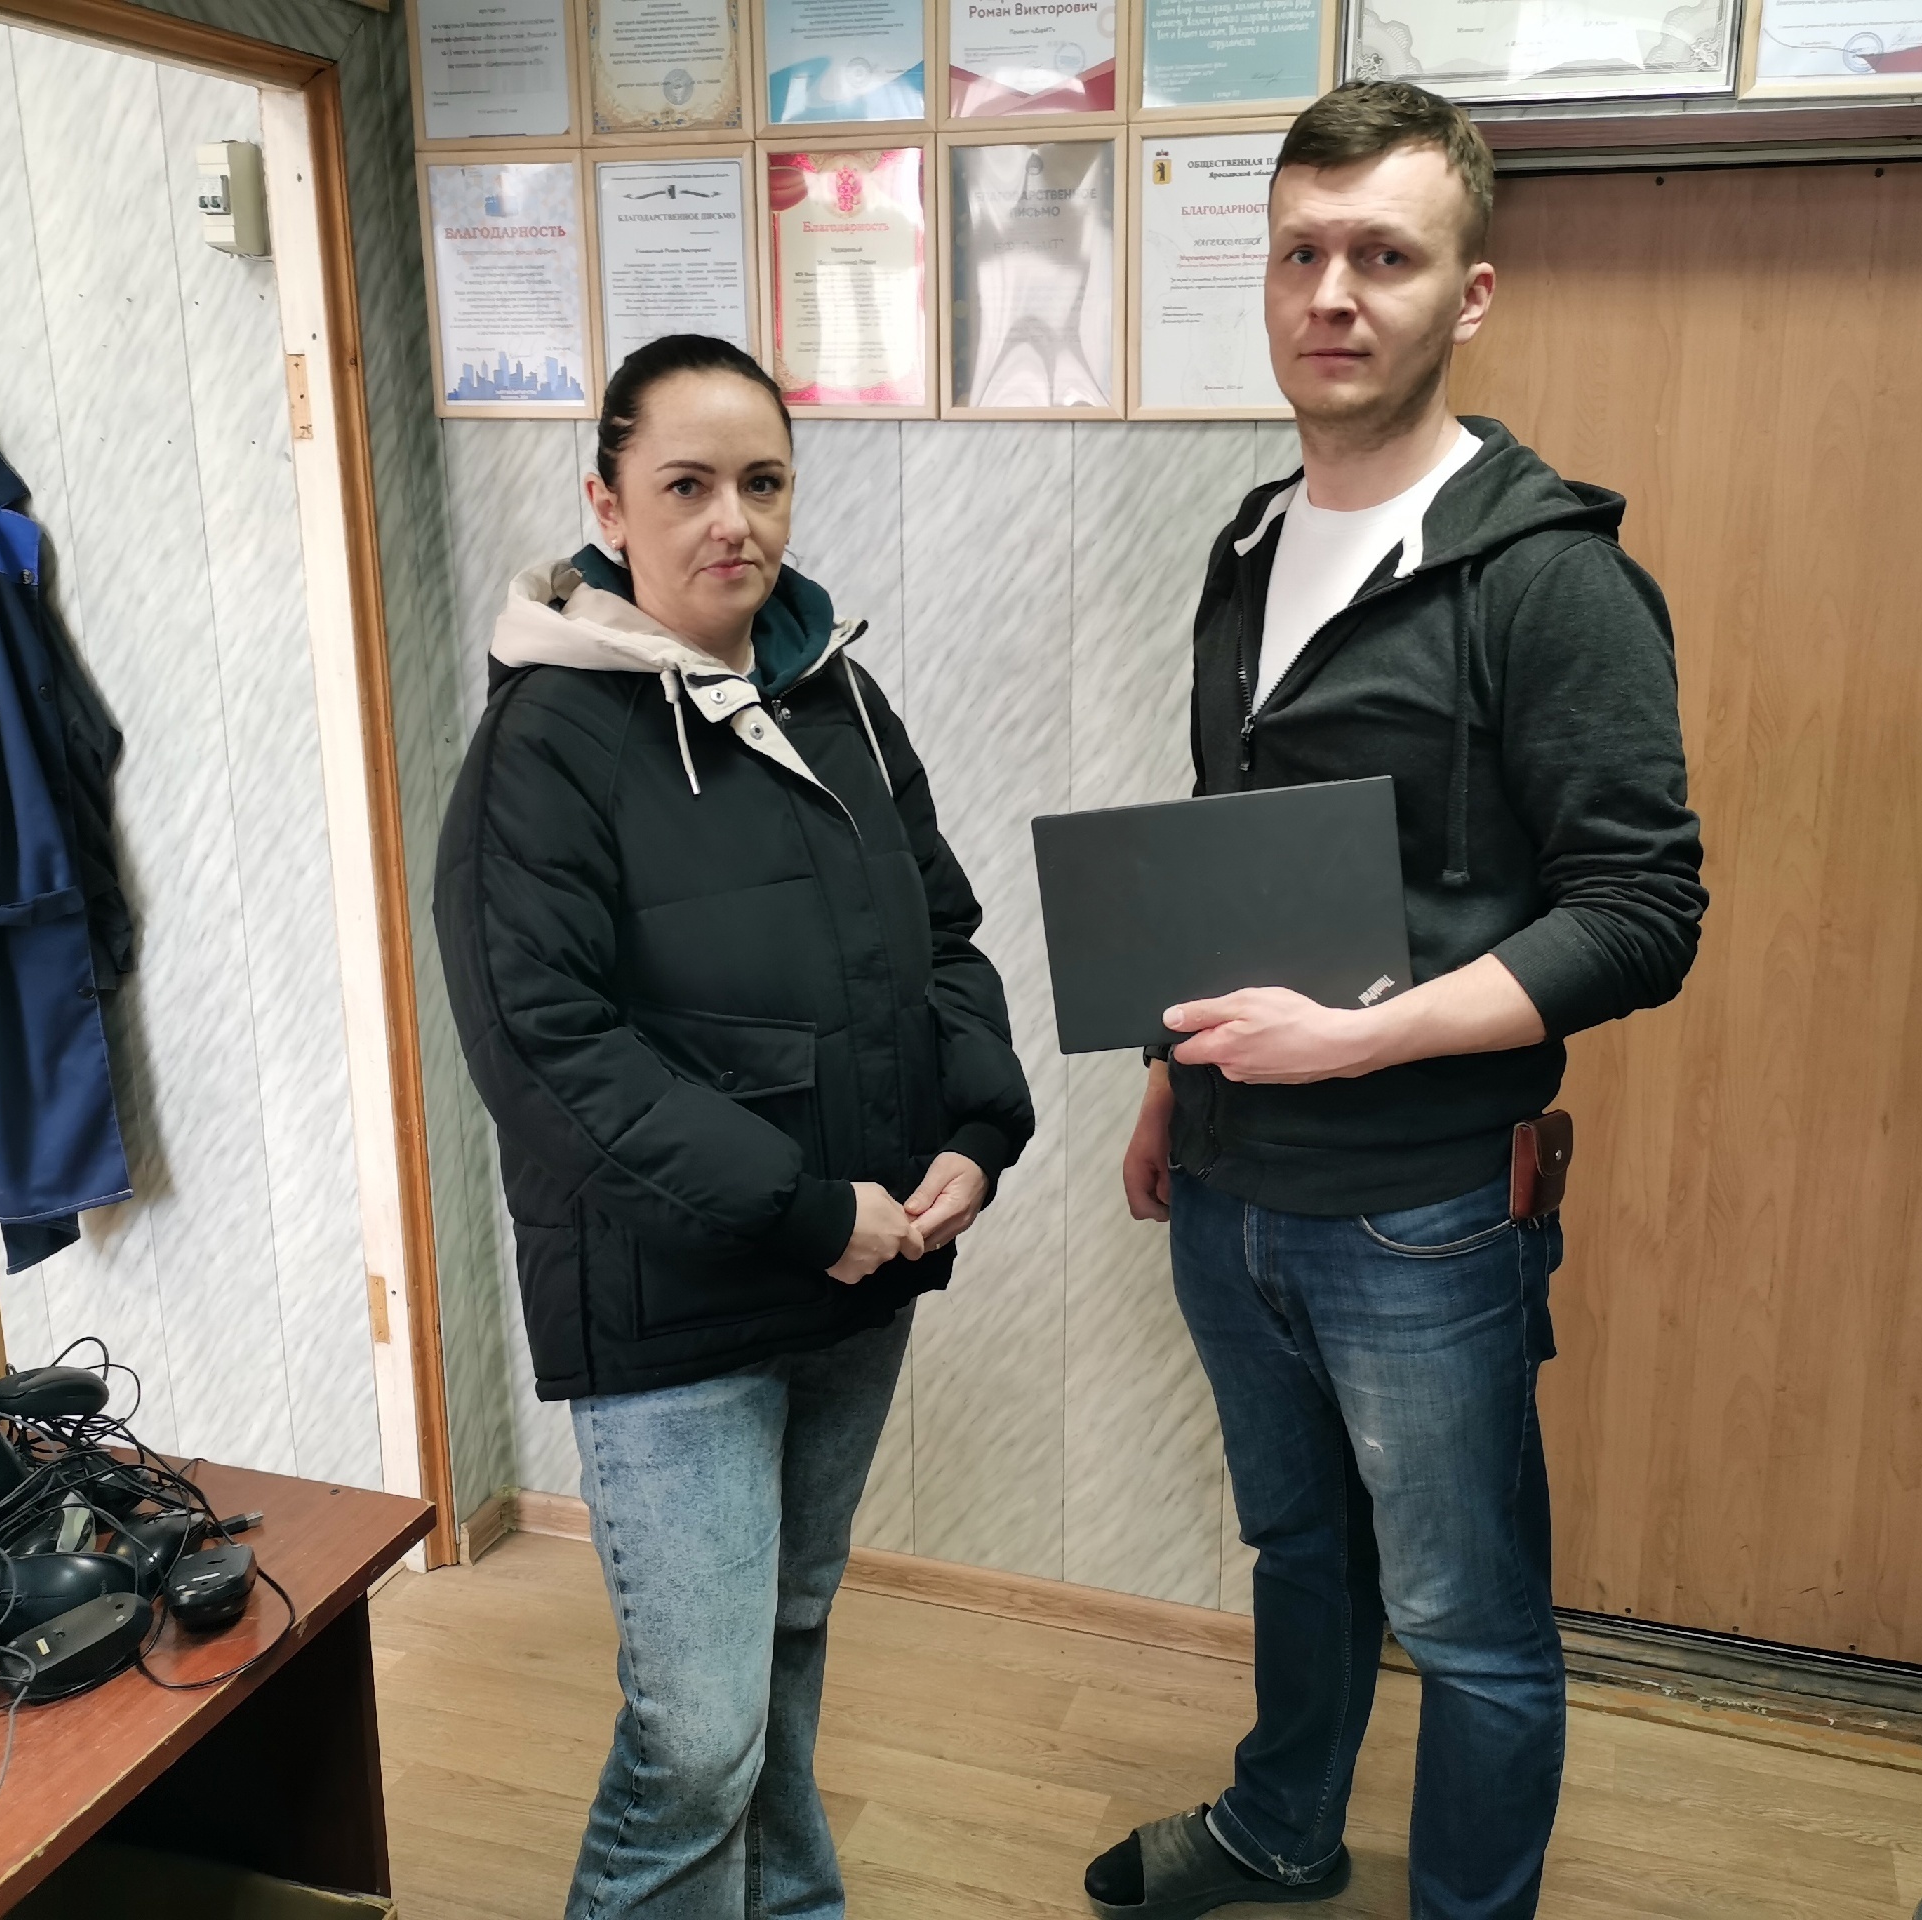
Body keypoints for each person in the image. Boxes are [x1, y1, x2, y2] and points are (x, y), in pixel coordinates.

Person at [1086, 84, 1706, 1920]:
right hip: (1230, 1182)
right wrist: (1168, 1075)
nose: (1333, 294)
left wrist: (1362, 1039)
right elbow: (1231, 849)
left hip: (1424, 1215)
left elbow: (1644, 915)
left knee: (1467, 1621)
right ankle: (1282, 1830)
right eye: (1303, 253)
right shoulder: (1245, 547)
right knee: (1298, 1548)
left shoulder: (1552, 580)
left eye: (1384, 255)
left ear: (1471, 293)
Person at [433, 333, 1034, 1920]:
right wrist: (803, 1208)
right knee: (696, 1737)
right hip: (678, 1302)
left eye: (762, 483)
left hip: (856, 1274)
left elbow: (943, 938)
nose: (733, 523)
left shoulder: (837, 695)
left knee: (782, 1648)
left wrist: (977, 1126)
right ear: (606, 506)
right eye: (686, 485)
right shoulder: (545, 744)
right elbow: (549, 1054)